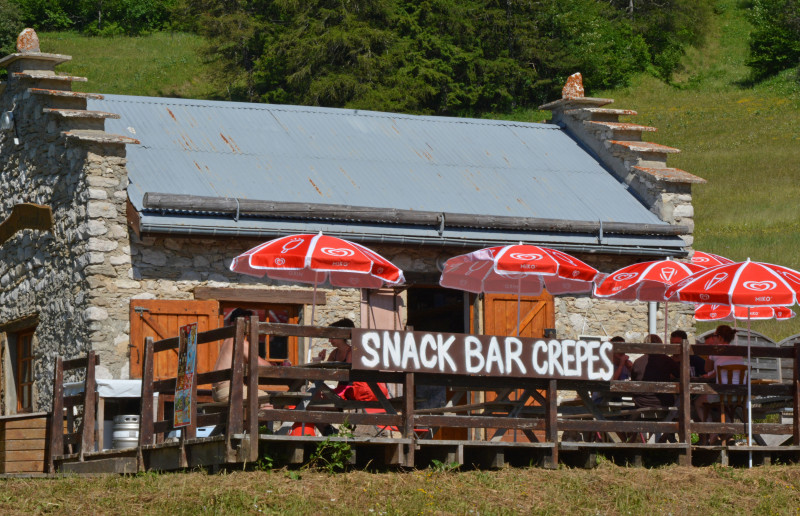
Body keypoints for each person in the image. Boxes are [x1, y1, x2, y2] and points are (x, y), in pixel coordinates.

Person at [693, 325, 746, 443]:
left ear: (720, 337)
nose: (713, 338)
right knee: (724, 404)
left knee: (698, 402)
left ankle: (713, 432)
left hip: (722, 394)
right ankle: (728, 431)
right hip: (740, 395)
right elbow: (722, 370)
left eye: (715, 335)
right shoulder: (738, 351)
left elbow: (707, 369)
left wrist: (709, 353)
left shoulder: (715, 351)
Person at [211, 308, 272, 403]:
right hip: (228, 390)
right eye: (244, 322)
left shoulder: (227, 341)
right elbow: (264, 366)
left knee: (256, 399)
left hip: (218, 391)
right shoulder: (239, 342)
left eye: (247, 323)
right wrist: (274, 366)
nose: (246, 327)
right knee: (266, 399)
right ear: (233, 324)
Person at [630, 334, 680, 409]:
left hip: (641, 402)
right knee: (681, 398)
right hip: (663, 402)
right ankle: (674, 418)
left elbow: (633, 380)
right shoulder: (667, 360)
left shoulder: (637, 362)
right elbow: (679, 374)